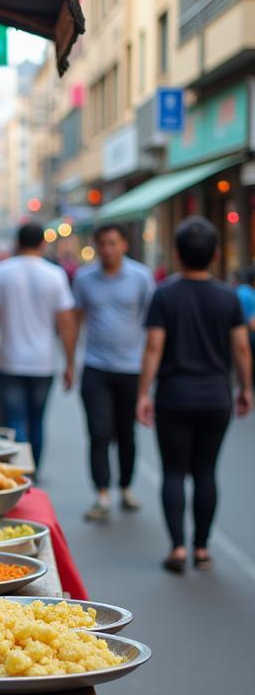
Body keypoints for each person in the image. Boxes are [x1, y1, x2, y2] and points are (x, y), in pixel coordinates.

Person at [137, 216, 252, 574]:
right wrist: (246, 387)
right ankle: (202, 548)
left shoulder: (165, 295)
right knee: (205, 471)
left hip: (174, 395)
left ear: (177, 252)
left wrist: (143, 392)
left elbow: (154, 348)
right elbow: (242, 349)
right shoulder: (228, 296)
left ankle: (177, 549)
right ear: (216, 253)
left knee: (173, 471)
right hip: (216, 396)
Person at [71, 223, 155, 521]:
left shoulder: (141, 277)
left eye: (112, 243)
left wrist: (151, 370)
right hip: (95, 365)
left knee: (126, 433)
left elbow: (152, 326)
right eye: (102, 244)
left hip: (131, 368)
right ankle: (102, 493)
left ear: (123, 245)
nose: (107, 249)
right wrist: (70, 362)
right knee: (98, 432)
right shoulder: (84, 278)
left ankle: (125, 487)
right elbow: (76, 318)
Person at [0, 222, 76, 472]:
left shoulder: (0, 272)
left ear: (17, 243)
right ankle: (34, 472)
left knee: (15, 420)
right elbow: (66, 323)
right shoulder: (55, 274)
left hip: (9, 359)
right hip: (43, 361)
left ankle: (21, 472)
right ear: (43, 243)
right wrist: (69, 362)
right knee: (37, 420)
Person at [237, 264, 255, 357]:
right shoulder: (250, 294)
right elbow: (252, 324)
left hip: (237, 338)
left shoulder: (240, 290)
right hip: (249, 339)